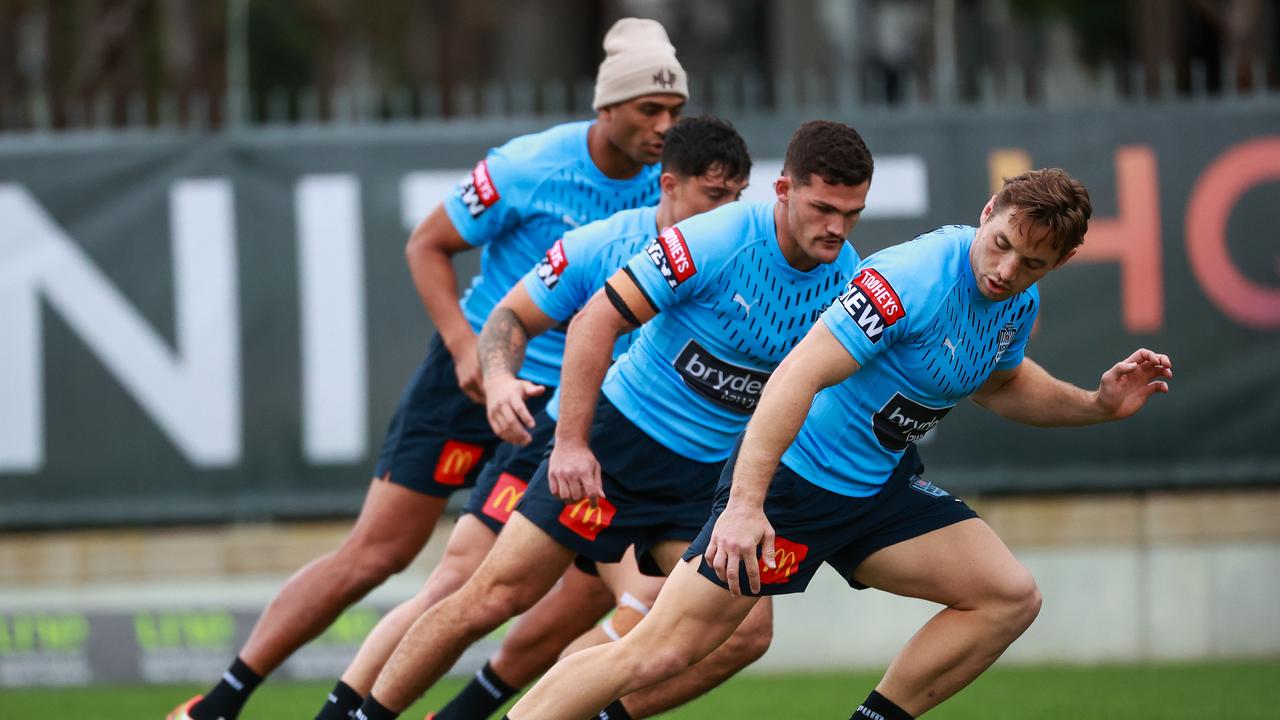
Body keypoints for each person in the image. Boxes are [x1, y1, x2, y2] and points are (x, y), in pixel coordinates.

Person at [504, 169, 1175, 720]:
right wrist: (745, 505)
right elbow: (797, 372)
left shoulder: (1015, 300)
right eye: (1000, 243)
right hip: (793, 484)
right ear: (988, 207)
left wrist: (1096, 404)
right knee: (655, 652)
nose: (1006, 269)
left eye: (1033, 263)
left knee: (1007, 596)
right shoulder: (910, 279)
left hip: (875, 488)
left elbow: (1001, 385)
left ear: (1060, 261)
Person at [168, 17, 688, 720]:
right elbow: (427, 245)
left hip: (562, 403)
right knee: (378, 555)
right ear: (605, 107)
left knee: (546, 581)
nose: (663, 126)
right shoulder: (528, 167)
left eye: (674, 112)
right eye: (648, 109)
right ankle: (221, 703)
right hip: (470, 379)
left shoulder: (676, 190)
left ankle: (463, 705)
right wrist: (465, 348)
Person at [351, 119, 876, 720]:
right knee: (493, 596)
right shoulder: (711, 239)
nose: (835, 227)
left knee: (747, 633)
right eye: (822, 208)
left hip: (703, 479)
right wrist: (571, 444)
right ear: (784, 190)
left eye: (851, 213)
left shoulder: (849, 279)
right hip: (617, 448)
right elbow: (594, 320)